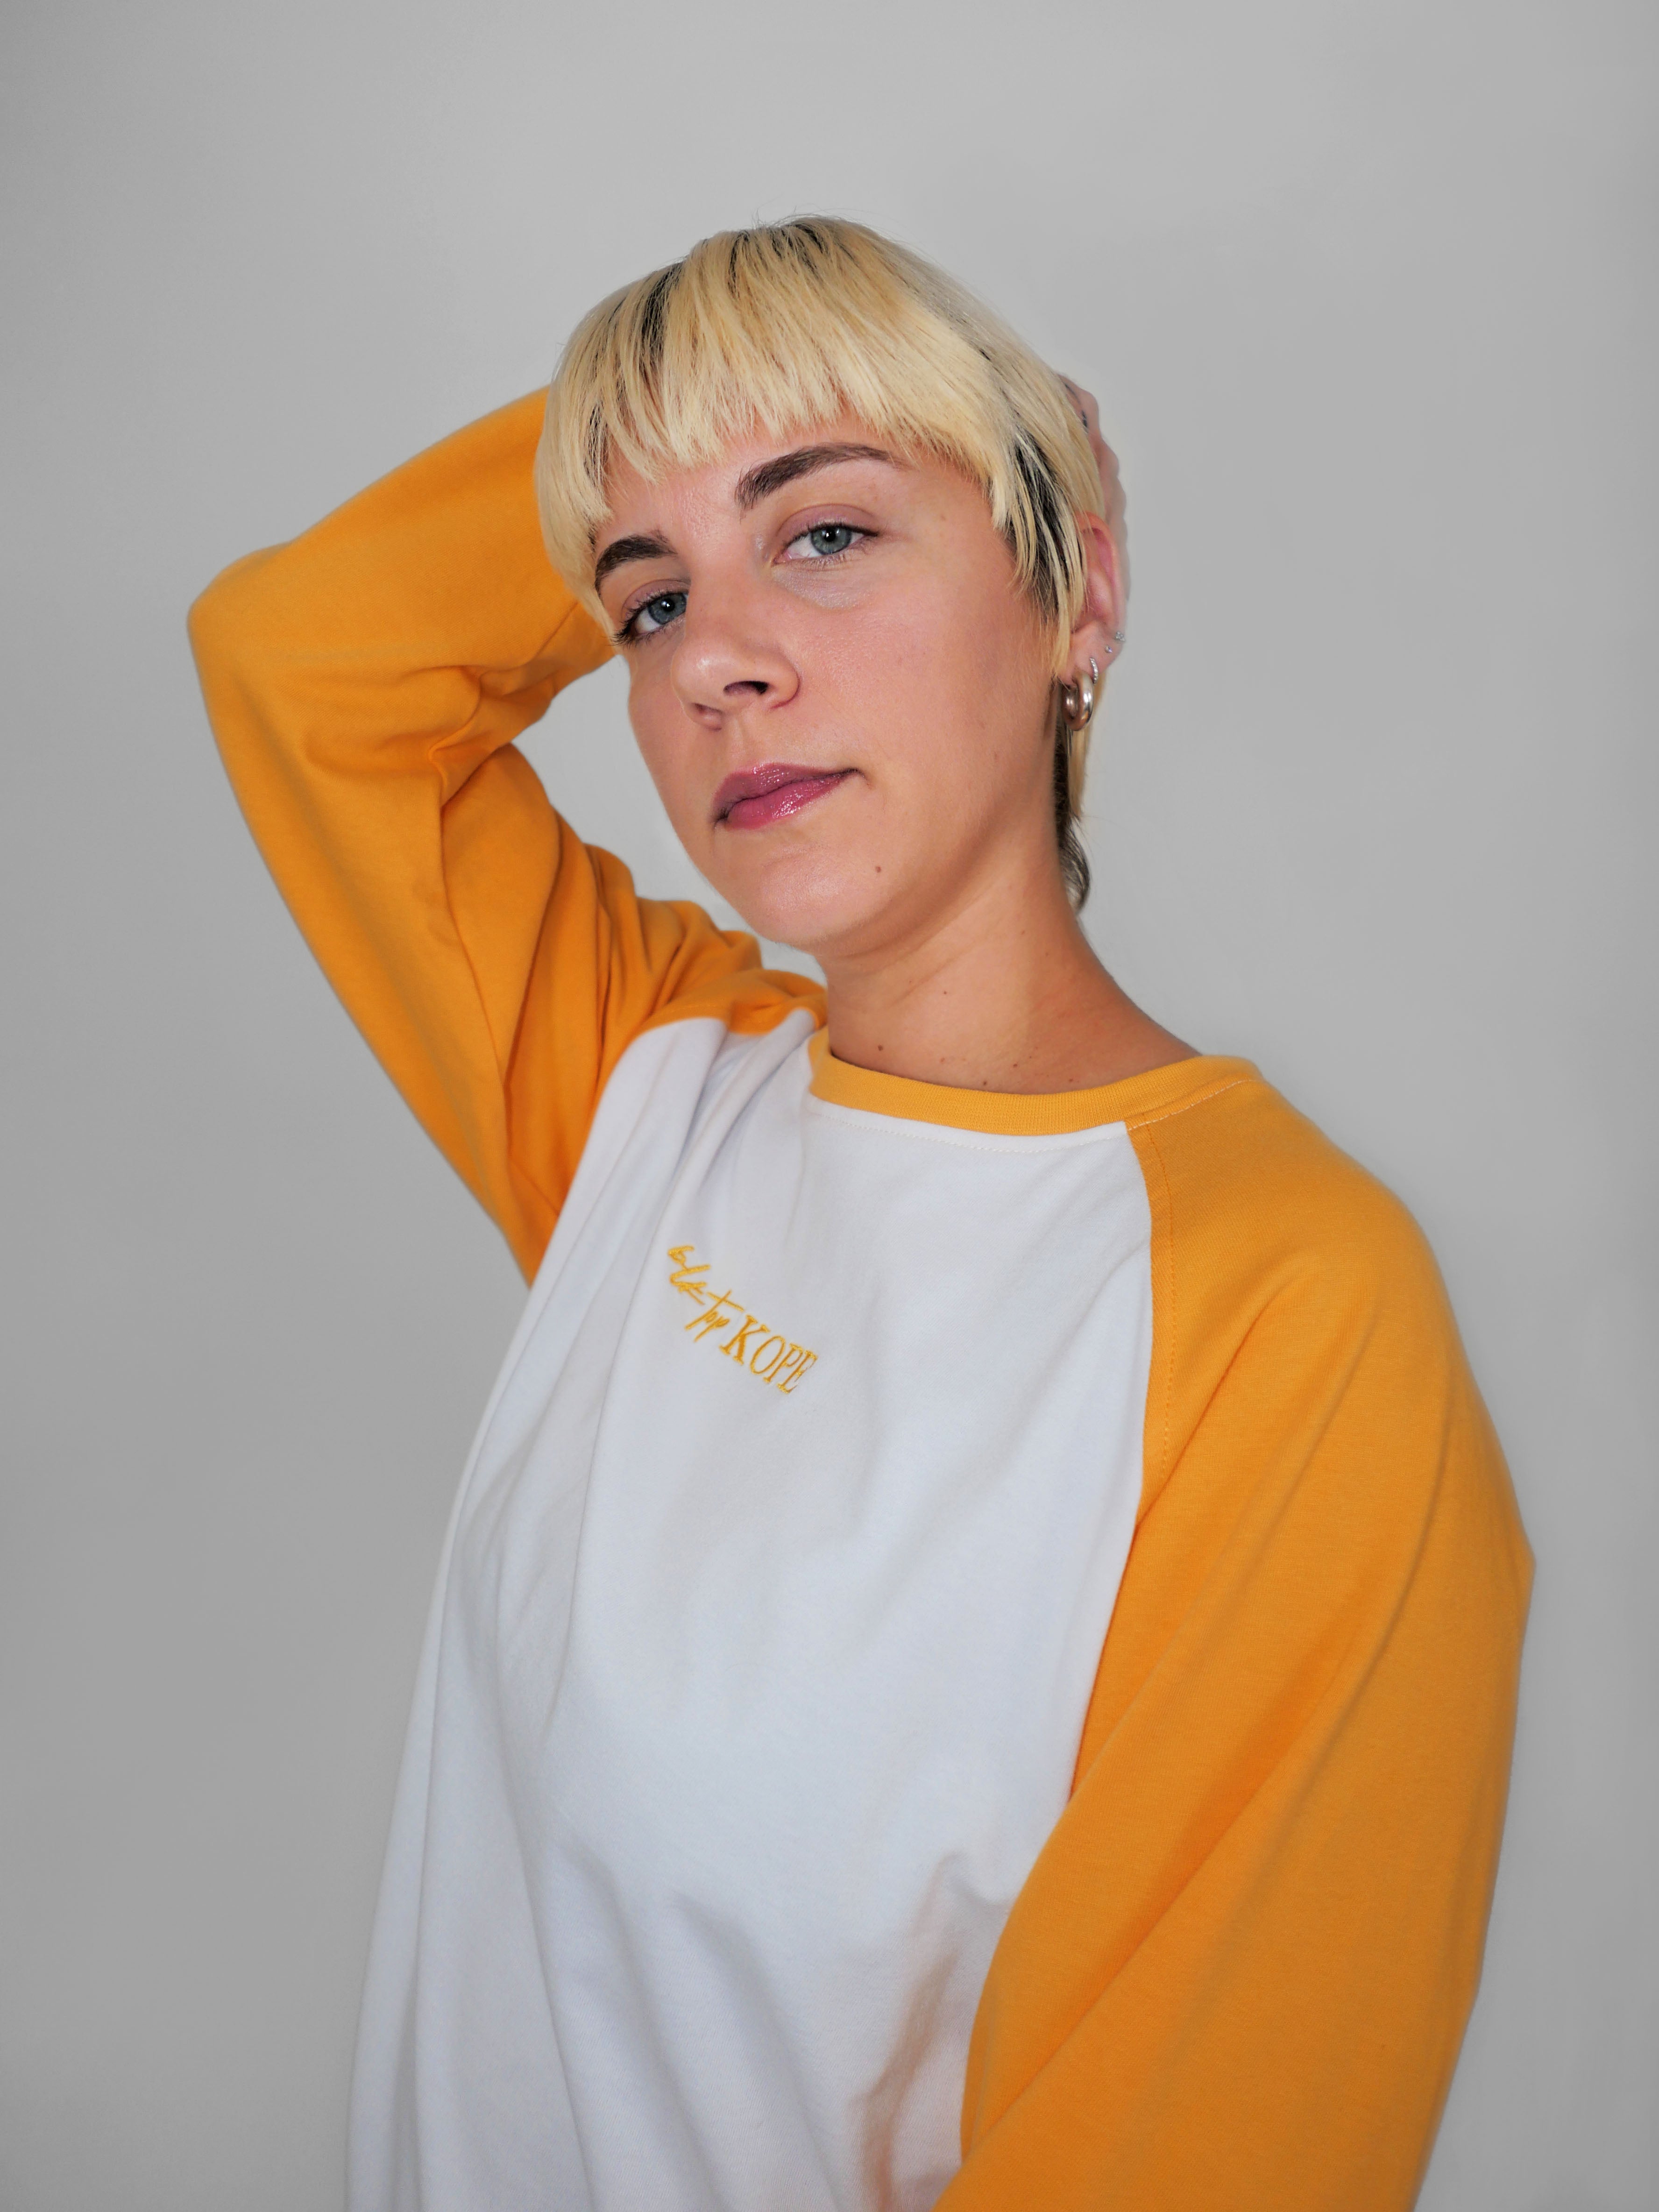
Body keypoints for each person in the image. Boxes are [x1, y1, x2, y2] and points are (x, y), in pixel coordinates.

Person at [188, 217, 1531, 2212]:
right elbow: (299, 657)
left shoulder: (1289, 1308)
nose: (715, 658)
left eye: (824, 533)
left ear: (1075, 589)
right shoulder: (650, 1088)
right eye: (643, 599)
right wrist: (662, 438)